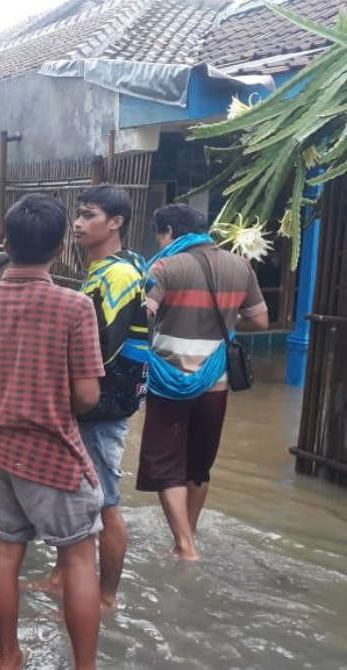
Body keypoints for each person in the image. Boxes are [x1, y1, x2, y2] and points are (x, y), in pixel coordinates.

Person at [0, 194, 104, 670]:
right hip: (52, 450)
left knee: (5, 550)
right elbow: (89, 396)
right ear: (60, 248)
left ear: (6, 242)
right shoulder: (75, 307)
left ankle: (8, 657)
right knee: (78, 558)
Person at [34, 185, 149, 613]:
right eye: (77, 216)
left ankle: (106, 597)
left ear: (115, 222)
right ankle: (63, 578)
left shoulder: (118, 274)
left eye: (89, 215)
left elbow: (104, 347)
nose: (78, 224)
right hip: (97, 402)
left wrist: (66, 385)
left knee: (106, 503)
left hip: (103, 404)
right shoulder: (110, 267)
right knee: (79, 496)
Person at [137, 204, 268, 561]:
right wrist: (224, 315)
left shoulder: (163, 266)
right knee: (198, 465)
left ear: (167, 232)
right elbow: (261, 320)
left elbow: (141, 315)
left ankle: (185, 546)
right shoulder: (239, 266)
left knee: (166, 465)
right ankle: (189, 536)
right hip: (215, 382)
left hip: (167, 380)